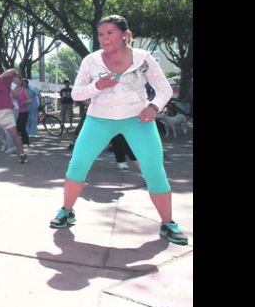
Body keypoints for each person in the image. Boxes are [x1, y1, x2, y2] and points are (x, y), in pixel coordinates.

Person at [49, 15, 188, 245]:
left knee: (154, 168)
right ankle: (66, 211)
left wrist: (153, 107)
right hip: (99, 118)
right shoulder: (91, 61)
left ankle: (168, 223)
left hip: (137, 119)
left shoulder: (143, 59)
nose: (104, 38)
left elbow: (164, 90)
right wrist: (97, 86)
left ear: (124, 34)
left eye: (110, 33)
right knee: (78, 163)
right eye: (101, 34)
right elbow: (76, 94)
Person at [12, 77, 32, 146]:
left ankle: (19, 143)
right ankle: (25, 142)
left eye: (17, 80)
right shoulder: (13, 89)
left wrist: (25, 102)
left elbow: (30, 100)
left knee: (19, 127)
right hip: (15, 111)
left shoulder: (24, 90)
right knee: (22, 127)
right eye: (14, 80)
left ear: (21, 81)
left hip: (24, 111)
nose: (15, 81)